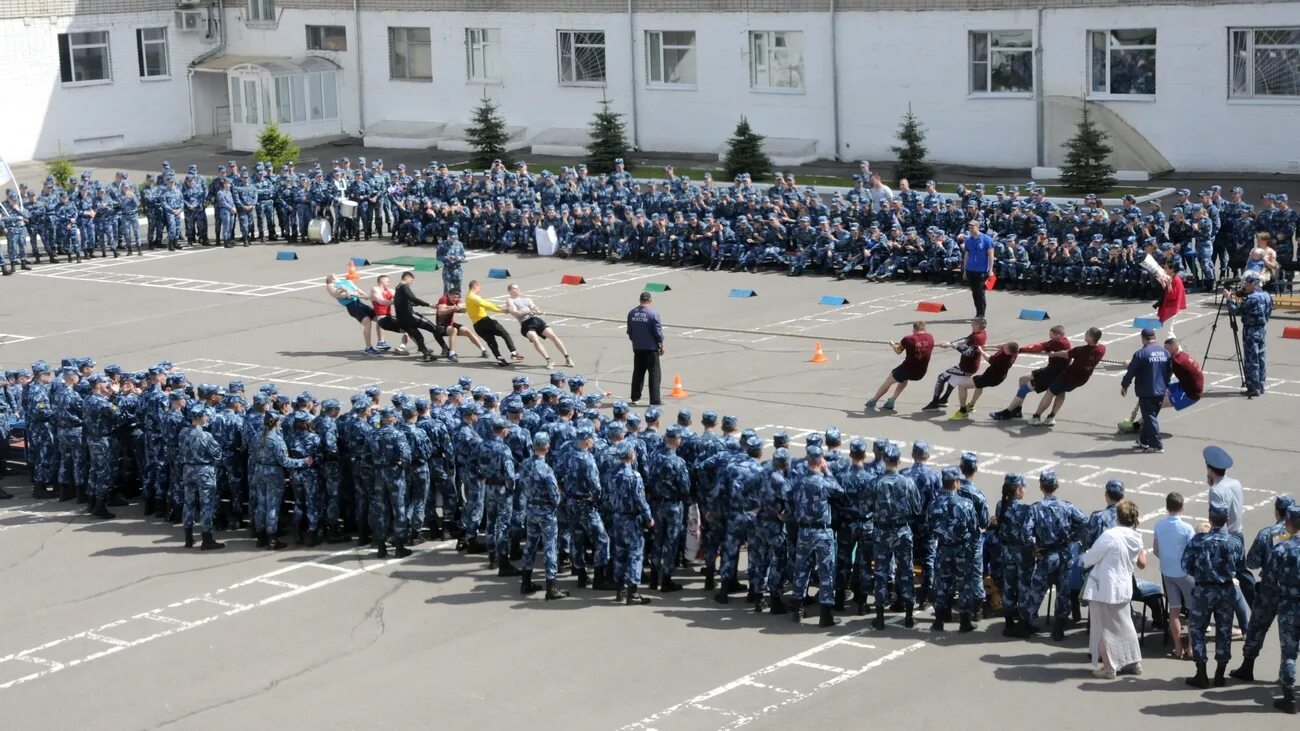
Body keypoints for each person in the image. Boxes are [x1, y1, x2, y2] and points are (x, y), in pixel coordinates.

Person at [1231, 494, 1296, 682]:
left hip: (1269, 590)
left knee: (1257, 627)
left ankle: (1247, 666)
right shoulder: (1297, 534)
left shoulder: (1267, 534)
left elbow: (1251, 562)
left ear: (1277, 512)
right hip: (1292, 592)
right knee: (1290, 633)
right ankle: (1286, 675)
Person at [1183, 496, 1245, 689]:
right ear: (1226, 520)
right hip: (1226, 590)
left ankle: (1201, 674)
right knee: (1224, 631)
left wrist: (1202, 574)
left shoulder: (1199, 541)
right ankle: (1220, 674)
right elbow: (1240, 566)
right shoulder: (1234, 542)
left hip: (1203, 590)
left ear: (1210, 519)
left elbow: (1186, 565)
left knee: (1198, 630)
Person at [1082, 499, 1147, 679]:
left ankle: (1109, 667)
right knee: (1125, 625)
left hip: (1104, 588)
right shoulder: (1136, 537)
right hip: (1124, 587)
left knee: (1102, 628)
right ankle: (1133, 662)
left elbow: (1091, 557)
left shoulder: (1110, 535)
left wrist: (1082, 558)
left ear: (1118, 516)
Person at [788, 444, 844, 628]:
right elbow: (840, 492)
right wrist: (827, 471)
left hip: (804, 530)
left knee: (801, 569)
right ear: (820, 460)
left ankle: (798, 608)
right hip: (822, 531)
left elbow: (789, 497)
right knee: (826, 572)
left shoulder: (798, 481)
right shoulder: (825, 482)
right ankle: (825, 615)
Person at [1203, 445, 1253, 634]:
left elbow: (1219, 517)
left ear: (1209, 469)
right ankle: (1255, 606)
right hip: (1238, 533)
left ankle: (1236, 623)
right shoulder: (1235, 483)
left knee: (1223, 581)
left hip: (1226, 537)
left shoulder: (1216, 491)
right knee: (1242, 573)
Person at [1028, 326, 1106, 428]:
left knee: (1050, 392)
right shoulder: (1102, 349)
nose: (1085, 334)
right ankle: (1051, 417)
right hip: (1082, 379)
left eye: (1087, 333)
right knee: (1060, 392)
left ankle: (1036, 417)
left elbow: (1065, 354)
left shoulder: (1081, 350)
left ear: (1091, 337)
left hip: (1069, 377)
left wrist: (1053, 354)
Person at [1121, 337, 1203, 433]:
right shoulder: (1181, 356)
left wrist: (1131, 365)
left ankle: (1138, 426)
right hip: (1185, 386)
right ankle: (1142, 424)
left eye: (1166, 349)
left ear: (1174, 348)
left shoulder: (1176, 362)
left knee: (1154, 404)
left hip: (1190, 394)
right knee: (1155, 397)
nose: (1164, 351)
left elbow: (1153, 367)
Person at [989, 325, 1070, 421]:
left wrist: (1022, 350)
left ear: (1059, 335)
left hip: (1051, 374)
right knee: (1023, 379)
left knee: (1023, 389)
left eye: (1051, 335)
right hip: (1050, 369)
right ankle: (1017, 410)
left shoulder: (1057, 343)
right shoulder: (1064, 341)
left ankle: (1007, 412)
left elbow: (1037, 347)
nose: (1050, 337)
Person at [1154, 492, 1197, 660]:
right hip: (1185, 573)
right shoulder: (1187, 528)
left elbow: (1157, 550)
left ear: (1167, 507)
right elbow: (1192, 552)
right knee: (1193, 611)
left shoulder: (1159, 525)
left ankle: (1178, 648)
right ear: (1182, 508)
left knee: (1174, 611)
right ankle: (1191, 648)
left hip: (1167, 572)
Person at [1269, 505, 1300, 714]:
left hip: (1289, 605)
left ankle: (1289, 697)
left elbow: (1271, 577)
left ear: (1287, 523)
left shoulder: (1281, 548)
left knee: (1289, 653)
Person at [1120, 328, 1172, 452]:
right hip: (1161, 389)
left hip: (1147, 390)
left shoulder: (1141, 354)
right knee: (1150, 417)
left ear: (1143, 338)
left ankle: (1156, 445)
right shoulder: (1165, 353)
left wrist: (1124, 385)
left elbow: (1130, 372)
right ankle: (1144, 441)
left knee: (1149, 417)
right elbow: (1169, 371)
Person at [864, 321, 934, 411]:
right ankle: (891, 401)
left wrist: (893, 344)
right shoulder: (930, 337)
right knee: (903, 379)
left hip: (907, 369)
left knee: (888, 381)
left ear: (914, 329)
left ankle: (873, 400)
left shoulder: (908, 339)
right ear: (924, 329)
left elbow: (898, 351)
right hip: (921, 372)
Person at [922, 317, 987, 411]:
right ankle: (944, 399)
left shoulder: (977, 337)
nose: (971, 325)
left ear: (978, 325)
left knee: (942, 377)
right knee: (953, 379)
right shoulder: (982, 333)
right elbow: (966, 339)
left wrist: (954, 346)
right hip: (967, 365)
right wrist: (951, 343)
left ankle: (935, 403)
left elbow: (968, 353)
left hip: (967, 367)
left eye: (973, 324)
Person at [505, 283, 575, 369]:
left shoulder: (527, 299)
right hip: (526, 323)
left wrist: (537, 310)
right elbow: (516, 314)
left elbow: (534, 307)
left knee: (553, 336)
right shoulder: (510, 301)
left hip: (535, 320)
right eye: (515, 288)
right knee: (535, 339)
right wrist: (527, 311)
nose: (517, 290)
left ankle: (567, 358)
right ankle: (549, 361)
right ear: (510, 291)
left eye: (518, 288)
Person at [1225, 271, 1272, 398]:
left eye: (1246, 283)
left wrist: (1229, 300)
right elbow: (1269, 312)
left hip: (1251, 331)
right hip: (1261, 329)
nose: (1244, 285)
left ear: (1252, 283)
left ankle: (1253, 388)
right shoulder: (1267, 295)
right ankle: (1261, 385)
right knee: (1261, 358)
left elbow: (1236, 311)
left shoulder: (1251, 299)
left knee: (1251, 360)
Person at [949, 342, 1019, 419]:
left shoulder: (1002, 359)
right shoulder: (1014, 352)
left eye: (1006, 347)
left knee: (962, 386)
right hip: (995, 375)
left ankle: (962, 412)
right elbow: (1003, 345)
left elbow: (988, 359)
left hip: (991, 378)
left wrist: (981, 350)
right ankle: (971, 405)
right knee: (979, 385)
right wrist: (989, 346)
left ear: (1009, 351)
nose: (1004, 346)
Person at [466, 279, 525, 367]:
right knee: (505, 334)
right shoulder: (474, 297)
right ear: (475, 287)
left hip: (477, 326)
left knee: (491, 342)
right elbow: (487, 305)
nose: (480, 290)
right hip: (485, 321)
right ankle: (513, 353)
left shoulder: (467, 296)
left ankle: (499, 358)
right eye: (479, 288)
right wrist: (502, 310)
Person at [390, 271, 447, 362]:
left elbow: (409, 302)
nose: (411, 282)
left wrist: (418, 304)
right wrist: (429, 304)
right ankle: (446, 349)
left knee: (419, 337)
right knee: (433, 328)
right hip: (411, 316)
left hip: (402, 320)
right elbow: (413, 298)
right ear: (407, 278)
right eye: (411, 280)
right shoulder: (404, 286)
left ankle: (426, 354)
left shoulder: (397, 288)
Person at [324, 274, 381, 355]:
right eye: (328, 277)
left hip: (359, 303)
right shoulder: (330, 285)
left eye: (332, 275)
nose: (331, 275)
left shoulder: (346, 281)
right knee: (367, 322)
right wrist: (346, 294)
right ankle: (368, 347)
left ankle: (381, 342)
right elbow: (336, 294)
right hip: (352, 306)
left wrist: (366, 296)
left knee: (380, 318)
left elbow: (358, 289)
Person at [626, 291, 665, 406]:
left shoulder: (632, 313)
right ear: (650, 301)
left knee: (638, 373)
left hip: (638, 348)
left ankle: (635, 397)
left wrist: (635, 341)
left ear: (640, 300)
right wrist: (661, 344)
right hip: (651, 349)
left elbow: (630, 331)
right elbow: (657, 332)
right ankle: (655, 399)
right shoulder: (653, 314)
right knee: (654, 374)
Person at [435, 288, 488, 362]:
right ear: (449, 295)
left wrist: (462, 309)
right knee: (454, 330)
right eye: (453, 297)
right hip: (441, 326)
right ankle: (451, 354)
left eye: (457, 297)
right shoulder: (443, 299)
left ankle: (483, 350)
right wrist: (451, 309)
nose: (455, 299)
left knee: (467, 330)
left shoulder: (457, 300)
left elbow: (462, 309)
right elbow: (440, 312)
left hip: (451, 324)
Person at [960, 220, 995, 318]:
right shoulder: (969, 240)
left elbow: (991, 255)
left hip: (981, 270)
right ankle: (978, 312)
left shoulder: (987, 239)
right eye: (969, 228)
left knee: (980, 293)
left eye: (973, 227)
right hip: (971, 269)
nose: (971, 230)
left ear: (978, 227)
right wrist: (965, 269)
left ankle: (981, 314)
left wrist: (990, 270)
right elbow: (967, 254)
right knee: (975, 293)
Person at [1155, 260, 1187, 334]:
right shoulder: (1171, 278)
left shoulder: (1176, 281)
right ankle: (1172, 345)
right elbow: (1167, 292)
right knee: (1166, 329)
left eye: (1166, 268)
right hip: (1168, 306)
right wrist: (1163, 284)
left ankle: (1175, 345)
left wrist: (1168, 285)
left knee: (1168, 330)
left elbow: (1172, 297)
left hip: (1171, 308)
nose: (1164, 270)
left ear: (1172, 270)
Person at [368, 275, 395, 352]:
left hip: (387, 315)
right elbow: (381, 301)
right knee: (406, 329)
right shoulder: (376, 289)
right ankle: (402, 346)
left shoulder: (390, 290)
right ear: (382, 281)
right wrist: (395, 301)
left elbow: (398, 296)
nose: (389, 283)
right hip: (382, 315)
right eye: (388, 281)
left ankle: (381, 342)